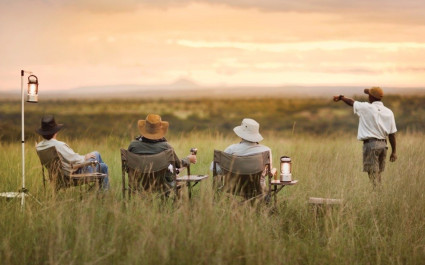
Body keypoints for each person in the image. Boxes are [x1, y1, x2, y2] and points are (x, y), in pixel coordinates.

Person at [333, 87, 397, 187]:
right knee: (377, 173)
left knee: (372, 174)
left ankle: (377, 195)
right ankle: (378, 194)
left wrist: (341, 97)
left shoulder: (367, 107)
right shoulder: (389, 112)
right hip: (384, 145)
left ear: (371, 97)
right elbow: (392, 135)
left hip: (371, 145)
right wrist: (394, 152)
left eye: (369, 95)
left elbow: (351, 102)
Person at [35, 115, 110, 190]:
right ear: (55, 131)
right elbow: (75, 160)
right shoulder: (59, 145)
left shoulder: (39, 147)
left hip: (56, 177)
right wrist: (85, 157)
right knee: (97, 155)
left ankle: (101, 190)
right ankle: (102, 192)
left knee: (103, 166)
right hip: (72, 176)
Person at [127, 114, 197, 188]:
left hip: (137, 183)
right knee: (175, 175)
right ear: (160, 130)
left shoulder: (133, 145)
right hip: (162, 184)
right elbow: (178, 164)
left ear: (144, 127)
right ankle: (178, 198)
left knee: (173, 172)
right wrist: (189, 159)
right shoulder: (165, 146)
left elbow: (128, 167)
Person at [211, 118, 274, 194]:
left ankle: (217, 197)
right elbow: (267, 173)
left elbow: (216, 170)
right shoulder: (266, 151)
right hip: (258, 189)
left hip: (233, 188)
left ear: (241, 135)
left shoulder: (232, 149)